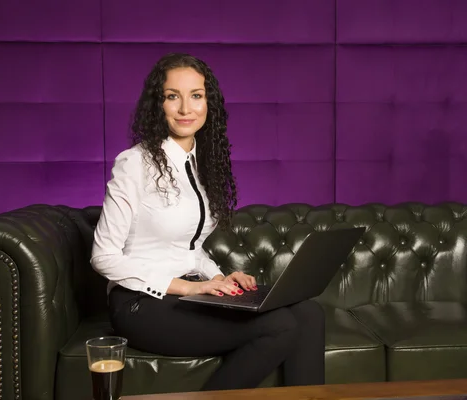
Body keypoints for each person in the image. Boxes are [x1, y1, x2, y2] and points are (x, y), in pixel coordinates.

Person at [90, 52, 325, 391]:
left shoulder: (200, 166)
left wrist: (218, 278)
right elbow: (103, 257)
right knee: (282, 325)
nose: (186, 108)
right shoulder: (134, 164)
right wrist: (190, 287)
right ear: (159, 104)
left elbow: (191, 248)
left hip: (188, 297)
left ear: (208, 103)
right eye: (173, 96)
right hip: (141, 305)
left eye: (196, 96)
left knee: (310, 313)